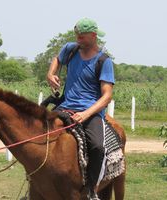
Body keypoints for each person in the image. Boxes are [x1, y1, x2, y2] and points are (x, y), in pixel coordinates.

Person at [47, 18, 115, 199]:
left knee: (98, 146)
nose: (78, 40)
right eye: (77, 36)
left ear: (93, 36)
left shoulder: (104, 61)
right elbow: (57, 59)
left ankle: (91, 188)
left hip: (90, 112)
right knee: (38, 132)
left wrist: (85, 114)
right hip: (65, 106)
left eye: (82, 37)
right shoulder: (71, 49)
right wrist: (51, 73)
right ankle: (36, 182)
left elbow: (107, 96)